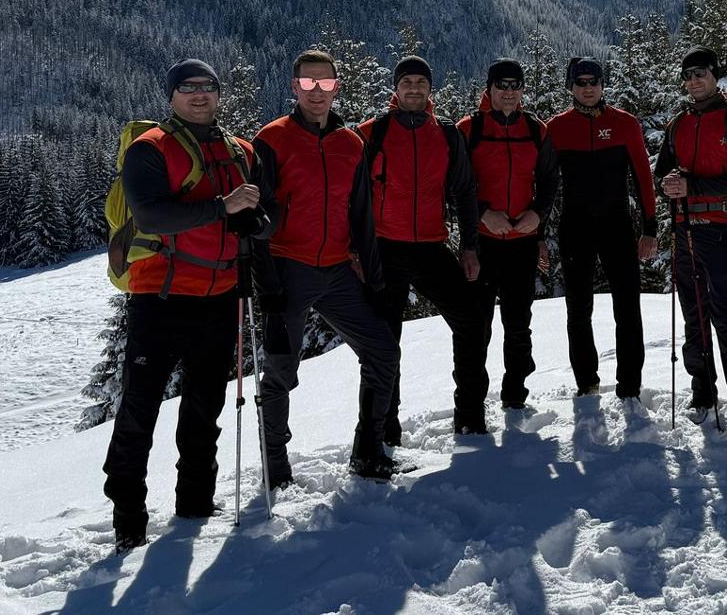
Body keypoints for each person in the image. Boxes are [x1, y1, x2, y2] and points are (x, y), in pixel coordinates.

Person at [103, 59, 264, 550]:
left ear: (219, 94)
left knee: (205, 406)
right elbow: (151, 214)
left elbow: (260, 212)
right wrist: (223, 208)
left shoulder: (241, 151)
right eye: (188, 88)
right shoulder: (149, 149)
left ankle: (195, 501)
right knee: (140, 406)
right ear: (171, 96)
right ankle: (128, 512)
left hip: (218, 296)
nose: (199, 95)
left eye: (208, 87)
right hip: (160, 297)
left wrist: (255, 222)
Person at [250, 50, 405, 482]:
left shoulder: (350, 144)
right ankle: (275, 468)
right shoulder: (272, 139)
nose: (317, 92)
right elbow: (257, 222)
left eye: (325, 83)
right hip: (289, 271)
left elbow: (362, 218)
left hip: (337, 271)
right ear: (294, 87)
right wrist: (268, 285)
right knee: (281, 371)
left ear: (337, 86)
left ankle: (368, 451)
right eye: (307, 84)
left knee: (382, 351)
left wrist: (374, 282)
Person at [360, 55, 492, 438]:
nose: (414, 88)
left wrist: (469, 247)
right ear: (395, 89)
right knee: (385, 340)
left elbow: (465, 191)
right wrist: (354, 251)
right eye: (407, 82)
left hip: (430, 247)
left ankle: (469, 415)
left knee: (471, 318)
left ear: (429, 88)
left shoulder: (447, 135)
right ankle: (385, 429)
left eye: (420, 81)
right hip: (384, 248)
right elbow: (352, 199)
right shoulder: (373, 133)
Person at [655, 47, 727, 428]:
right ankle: (703, 390)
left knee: (724, 314)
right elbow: (663, 173)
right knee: (693, 315)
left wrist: (693, 186)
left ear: (715, 75)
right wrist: (669, 183)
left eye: (700, 73)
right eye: (687, 75)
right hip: (684, 228)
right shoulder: (677, 123)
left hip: (720, 231)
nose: (693, 80)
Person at [545, 58, 658, 410]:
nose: (588, 87)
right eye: (580, 82)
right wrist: (537, 235)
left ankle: (630, 387)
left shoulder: (624, 124)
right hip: (575, 228)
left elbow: (642, 178)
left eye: (594, 81)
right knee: (578, 309)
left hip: (618, 227)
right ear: (571, 86)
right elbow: (545, 186)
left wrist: (650, 228)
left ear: (603, 84)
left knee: (627, 309)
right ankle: (587, 384)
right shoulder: (556, 128)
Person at [455, 59, 559, 418]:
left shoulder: (535, 129)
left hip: (522, 243)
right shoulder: (469, 129)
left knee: (518, 322)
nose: (509, 91)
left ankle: (515, 394)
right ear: (489, 89)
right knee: (476, 326)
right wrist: (484, 213)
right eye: (502, 85)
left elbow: (548, 180)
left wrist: (538, 215)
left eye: (515, 84)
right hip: (481, 243)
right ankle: (471, 403)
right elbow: (456, 186)